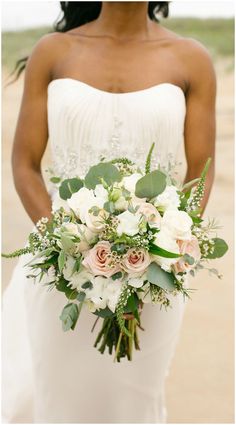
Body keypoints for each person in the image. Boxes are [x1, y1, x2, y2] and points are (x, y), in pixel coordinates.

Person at [2, 2, 216, 423]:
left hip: (153, 278)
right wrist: (71, 248)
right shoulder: (53, 52)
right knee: (56, 399)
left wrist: (165, 251)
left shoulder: (191, 59)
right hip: (57, 269)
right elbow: (24, 164)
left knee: (133, 401)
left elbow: (200, 172)